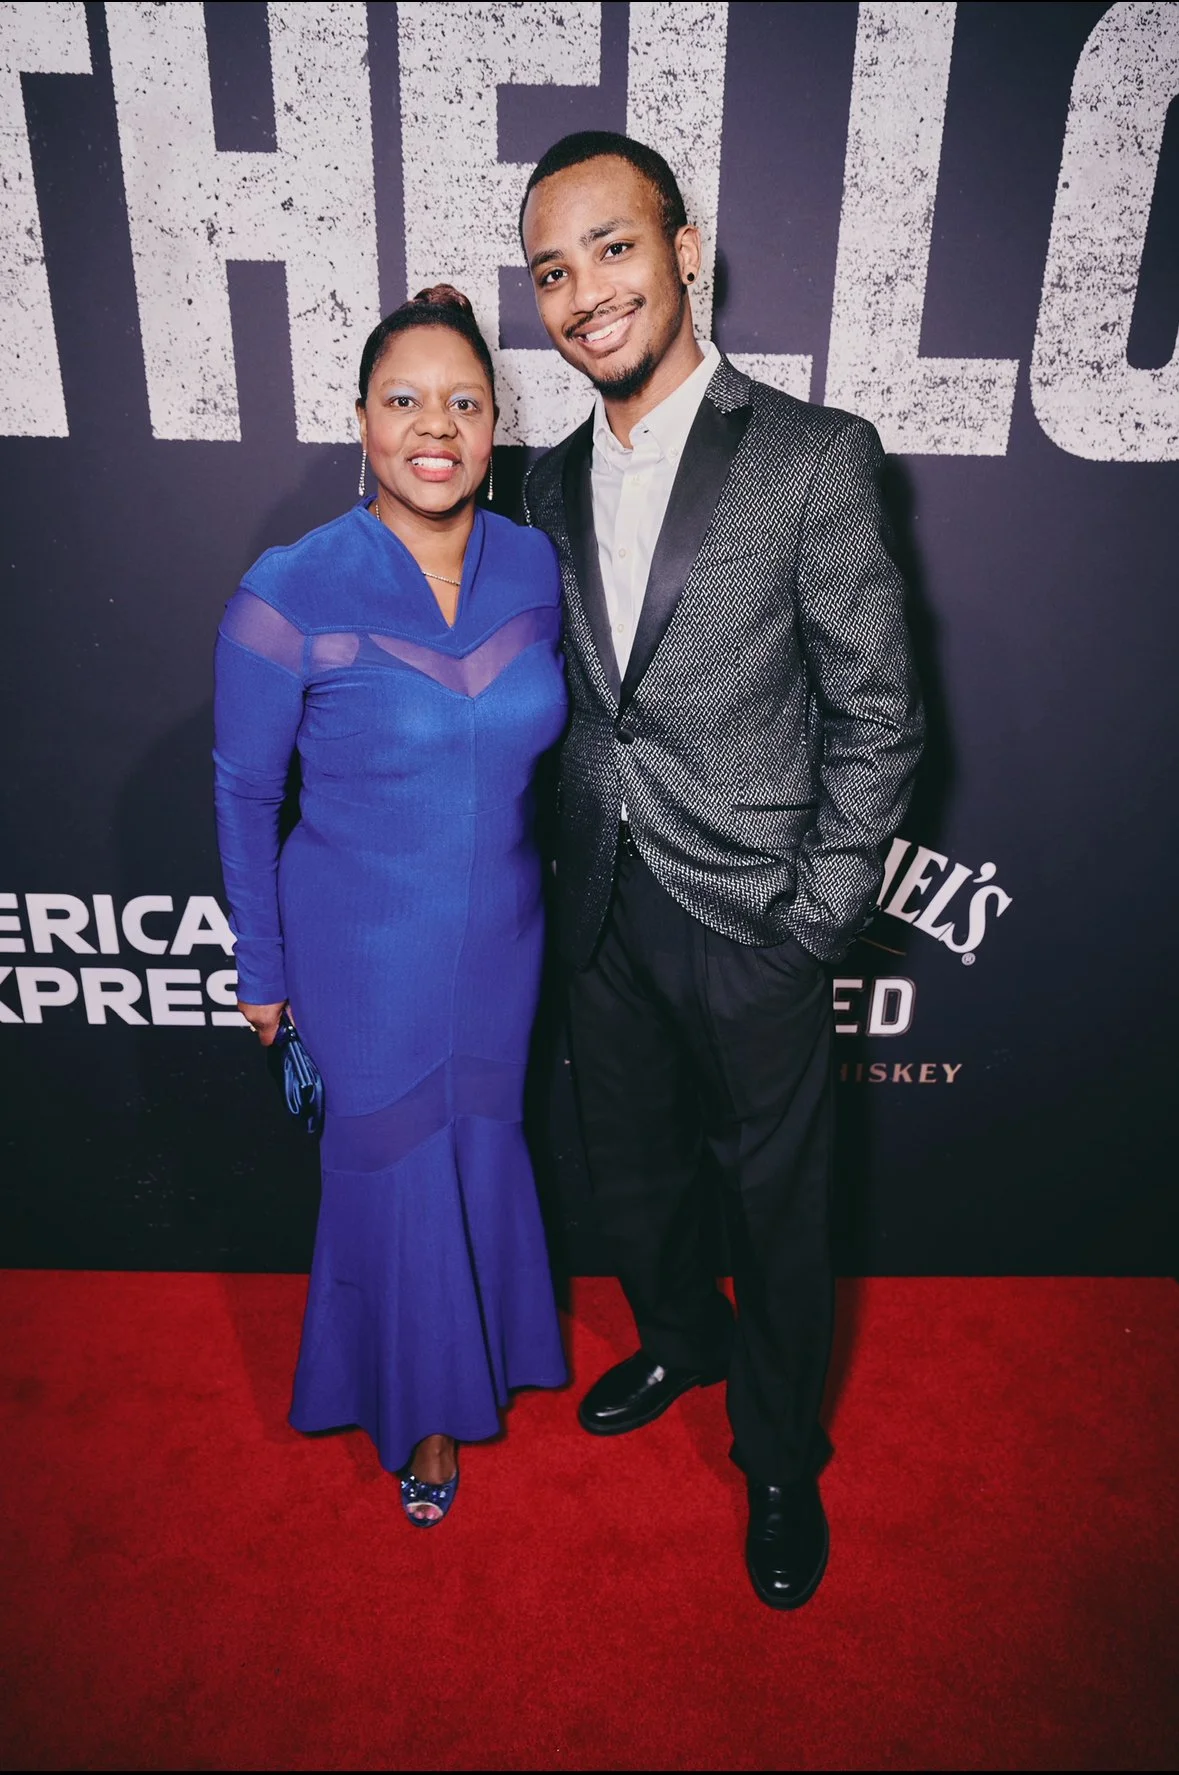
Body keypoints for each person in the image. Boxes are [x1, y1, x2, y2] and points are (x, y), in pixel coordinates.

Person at [520, 133, 923, 1607]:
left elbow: (877, 711)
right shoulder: (540, 480)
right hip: (598, 896)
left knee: (779, 1203)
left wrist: (815, 916)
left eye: (611, 249)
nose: (583, 294)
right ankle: (680, 1333)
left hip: (753, 909)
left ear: (683, 252)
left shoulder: (811, 457)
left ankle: (773, 1453)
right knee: (627, 1167)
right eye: (552, 271)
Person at [213, 285, 568, 1525]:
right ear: (360, 419)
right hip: (359, 958)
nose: (438, 425)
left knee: (480, 1149)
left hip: (508, 943)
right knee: (396, 1176)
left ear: (493, 422)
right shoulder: (289, 585)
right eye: (405, 399)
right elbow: (246, 788)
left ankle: (485, 1349)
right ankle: (423, 1415)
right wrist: (261, 968)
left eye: (465, 402)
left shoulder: (535, 563)